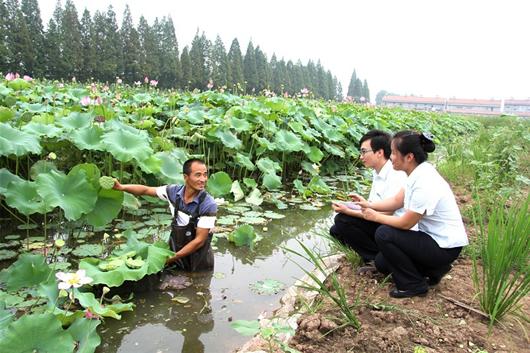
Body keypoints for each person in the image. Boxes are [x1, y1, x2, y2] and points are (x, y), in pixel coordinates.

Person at [359, 131, 468, 298]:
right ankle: (433, 270)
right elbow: (396, 201)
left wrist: (376, 217)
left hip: (444, 246)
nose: (391, 157)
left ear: (409, 157)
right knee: (382, 263)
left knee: (384, 233)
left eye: (394, 153)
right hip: (433, 240)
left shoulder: (424, 181)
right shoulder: (416, 173)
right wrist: (369, 204)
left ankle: (413, 285)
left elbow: (406, 223)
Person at [113, 158, 217, 271]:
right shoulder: (172, 192)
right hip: (175, 252)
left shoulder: (208, 204)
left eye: (205, 175)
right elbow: (145, 190)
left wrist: (171, 258)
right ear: (185, 177)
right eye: (198, 175)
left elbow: (199, 241)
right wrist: (121, 187)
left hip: (198, 261)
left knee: (196, 285)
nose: (203, 179)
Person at [329, 130, 408, 270]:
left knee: (342, 220)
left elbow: (386, 213)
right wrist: (358, 204)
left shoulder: (395, 174)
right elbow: (374, 206)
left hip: (393, 227)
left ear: (379, 152)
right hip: (381, 221)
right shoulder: (377, 173)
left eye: (364, 152)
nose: (361, 157)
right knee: (336, 230)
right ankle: (377, 255)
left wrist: (350, 211)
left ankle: (377, 260)